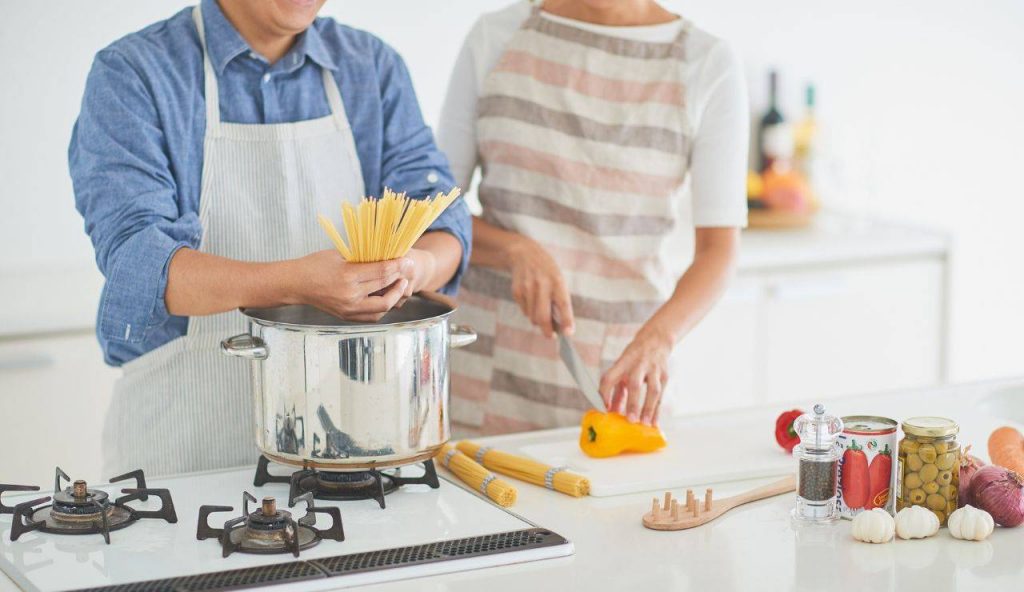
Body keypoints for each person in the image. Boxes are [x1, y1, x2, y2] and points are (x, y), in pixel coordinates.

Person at [70, 0, 470, 476]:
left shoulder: (371, 66)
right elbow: (141, 266)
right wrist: (297, 284)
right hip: (182, 453)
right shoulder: (135, 74)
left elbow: (445, 224)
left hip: (354, 450)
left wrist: (413, 269)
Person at [439, 0, 747, 435]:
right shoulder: (497, 35)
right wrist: (515, 250)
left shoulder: (706, 62)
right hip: (485, 379)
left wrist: (659, 339)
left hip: (620, 382)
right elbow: (431, 211)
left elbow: (720, 252)